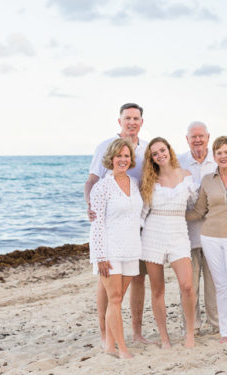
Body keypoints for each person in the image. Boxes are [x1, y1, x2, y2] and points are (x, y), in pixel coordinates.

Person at [178, 121, 227, 336]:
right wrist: (167, 214)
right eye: (193, 136)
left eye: (226, 152)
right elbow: (196, 210)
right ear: (187, 139)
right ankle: (207, 330)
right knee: (201, 286)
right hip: (197, 237)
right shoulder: (185, 167)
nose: (223, 156)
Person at [84, 103, 150, 347]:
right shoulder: (106, 147)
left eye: (136, 118)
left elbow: (158, 177)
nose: (132, 122)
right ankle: (106, 336)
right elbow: (91, 180)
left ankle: (137, 332)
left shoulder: (146, 148)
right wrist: (91, 207)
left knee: (138, 278)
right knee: (107, 283)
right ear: (119, 121)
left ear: (141, 121)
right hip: (111, 223)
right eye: (127, 118)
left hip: (136, 225)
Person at [140, 137, 197, 348]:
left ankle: (189, 333)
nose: (159, 155)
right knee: (157, 290)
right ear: (151, 158)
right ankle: (164, 337)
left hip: (178, 232)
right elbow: (141, 214)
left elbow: (197, 204)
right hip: (153, 234)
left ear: (169, 150)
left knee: (188, 286)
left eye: (162, 150)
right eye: (154, 154)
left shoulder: (186, 176)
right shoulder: (149, 181)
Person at [89, 138, 143, 359]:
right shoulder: (101, 187)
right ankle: (122, 348)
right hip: (109, 251)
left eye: (126, 156)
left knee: (118, 298)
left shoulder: (134, 183)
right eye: (119, 156)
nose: (123, 159)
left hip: (131, 248)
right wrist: (100, 256)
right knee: (115, 299)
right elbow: (97, 224)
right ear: (111, 159)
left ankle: (109, 345)